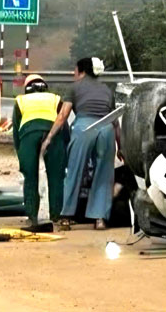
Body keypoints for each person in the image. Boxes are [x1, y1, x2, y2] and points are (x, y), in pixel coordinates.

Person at [42, 57, 117, 231]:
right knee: (104, 175)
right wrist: (120, 146)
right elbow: (115, 121)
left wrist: (49, 138)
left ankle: (66, 217)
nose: (73, 74)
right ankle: (99, 219)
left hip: (84, 127)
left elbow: (63, 116)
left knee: (75, 171)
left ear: (81, 71)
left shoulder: (75, 87)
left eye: (75, 70)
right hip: (106, 130)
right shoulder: (106, 89)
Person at [12, 74, 66, 229]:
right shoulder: (55, 99)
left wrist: (20, 152)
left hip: (28, 136)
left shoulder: (21, 101)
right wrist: (64, 150)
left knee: (30, 177)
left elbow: (16, 131)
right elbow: (63, 124)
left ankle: (32, 216)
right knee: (56, 177)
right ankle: (56, 215)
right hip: (53, 135)